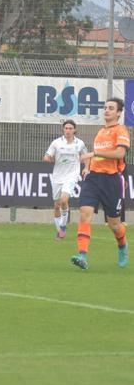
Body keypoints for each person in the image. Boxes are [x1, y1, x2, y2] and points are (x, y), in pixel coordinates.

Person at [71, 98, 129, 270]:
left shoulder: (121, 130)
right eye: (105, 108)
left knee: (114, 224)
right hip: (93, 178)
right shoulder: (100, 132)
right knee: (85, 213)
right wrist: (87, 166)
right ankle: (82, 255)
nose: (107, 111)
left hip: (111, 180)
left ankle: (122, 246)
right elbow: (95, 156)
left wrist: (93, 153)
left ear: (118, 112)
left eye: (111, 108)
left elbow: (119, 153)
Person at [43, 120, 88, 239]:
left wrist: (86, 168)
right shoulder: (56, 143)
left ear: (74, 130)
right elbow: (47, 155)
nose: (68, 130)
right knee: (57, 205)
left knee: (64, 200)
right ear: (63, 130)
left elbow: (86, 156)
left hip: (72, 176)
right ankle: (59, 231)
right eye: (66, 128)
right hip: (58, 176)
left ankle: (63, 226)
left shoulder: (80, 143)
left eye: (70, 128)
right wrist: (48, 158)